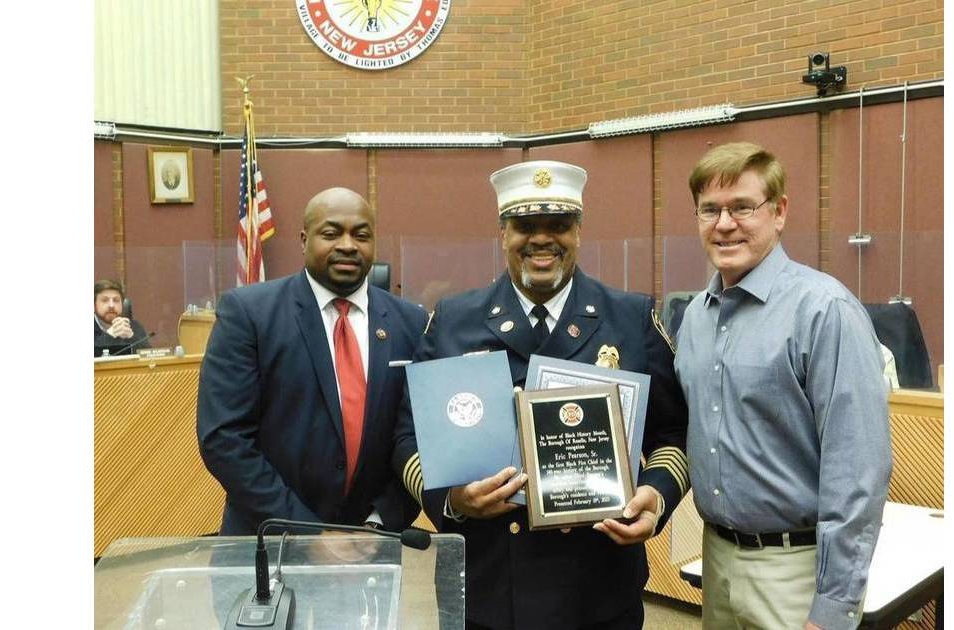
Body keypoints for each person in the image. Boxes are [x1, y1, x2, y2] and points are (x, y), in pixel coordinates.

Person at [392, 160, 690, 629]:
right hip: (485, 584)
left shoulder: (629, 318)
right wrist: (452, 498)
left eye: (559, 225)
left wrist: (656, 493)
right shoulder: (454, 320)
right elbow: (408, 436)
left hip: (597, 584)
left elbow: (673, 432)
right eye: (525, 225)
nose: (541, 239)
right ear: (502, 232)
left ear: (579, 231)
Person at [674, 142, 891, 630]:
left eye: (743, 207)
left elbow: (858, 472)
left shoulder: (824, 311)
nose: (725, 224)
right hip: (717, 557)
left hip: (797, 573)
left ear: (779, 212)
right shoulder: (694, 318)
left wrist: (834, 608)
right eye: (710, 209)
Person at [197, 187, 427, 535]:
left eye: (361, 235)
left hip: (372, 547)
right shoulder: (249, 314)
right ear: (304, 240)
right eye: (331, 233)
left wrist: (378, 523)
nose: (348, 245)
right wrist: (311, 534)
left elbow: (420, 436)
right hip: (270, 540)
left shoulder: (411, 322)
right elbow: (224, 438)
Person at [94, 280, 150, 356]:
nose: (111, 305)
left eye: (116, 300)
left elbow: (148, 355)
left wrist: (131, 337)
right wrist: (109, 336)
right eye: (105, 300)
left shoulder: (134, 326)